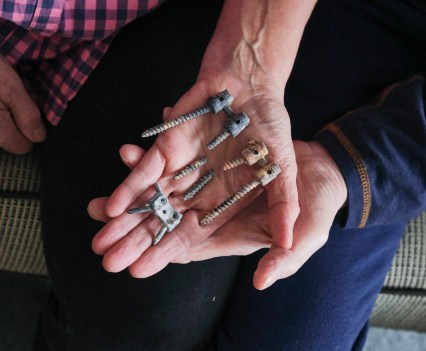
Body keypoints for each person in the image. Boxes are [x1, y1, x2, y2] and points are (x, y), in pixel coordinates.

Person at [1, 1, 425, 350]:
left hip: (399, 90)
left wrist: (351, 167)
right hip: (324, 22)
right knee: (147, 315)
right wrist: (250, 68)